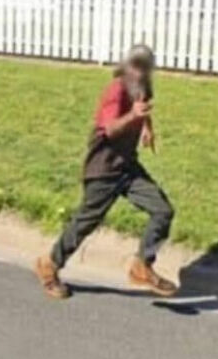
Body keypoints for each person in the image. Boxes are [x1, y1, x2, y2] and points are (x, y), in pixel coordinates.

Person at [36, 44, 177, 300]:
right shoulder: (116, 90)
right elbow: (110, 129)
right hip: (103, 168)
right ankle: (49, 264)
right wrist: (133, 115)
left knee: (163, 210)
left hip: (127, 166)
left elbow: (143, 107)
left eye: (144, 68)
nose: (139, 73)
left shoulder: (143, 86)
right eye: (135, 67)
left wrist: (147, 126)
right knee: (86, 222)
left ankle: (142, 266)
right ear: (126, 66)